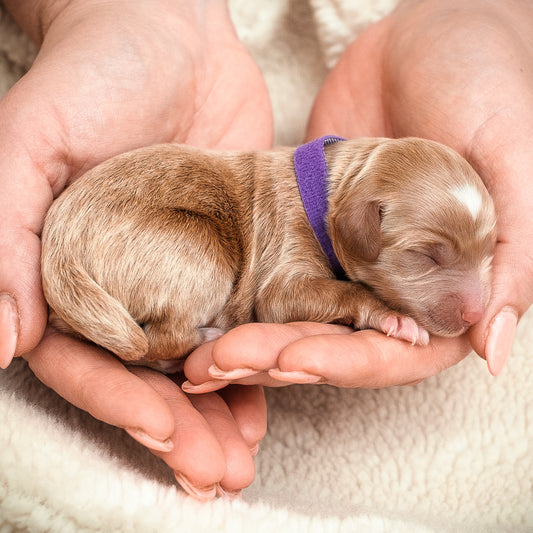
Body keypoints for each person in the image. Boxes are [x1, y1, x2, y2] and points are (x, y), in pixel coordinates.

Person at [1, 0, 532, 500]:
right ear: (358, 227)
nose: (473, 303)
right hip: (136, 233)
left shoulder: (328, 200)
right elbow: (282, 299)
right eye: (430, 257)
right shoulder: (308, 218)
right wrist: (363, 306)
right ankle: (164, 337)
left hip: (115, 246)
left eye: (480, 254)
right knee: (203, 262)